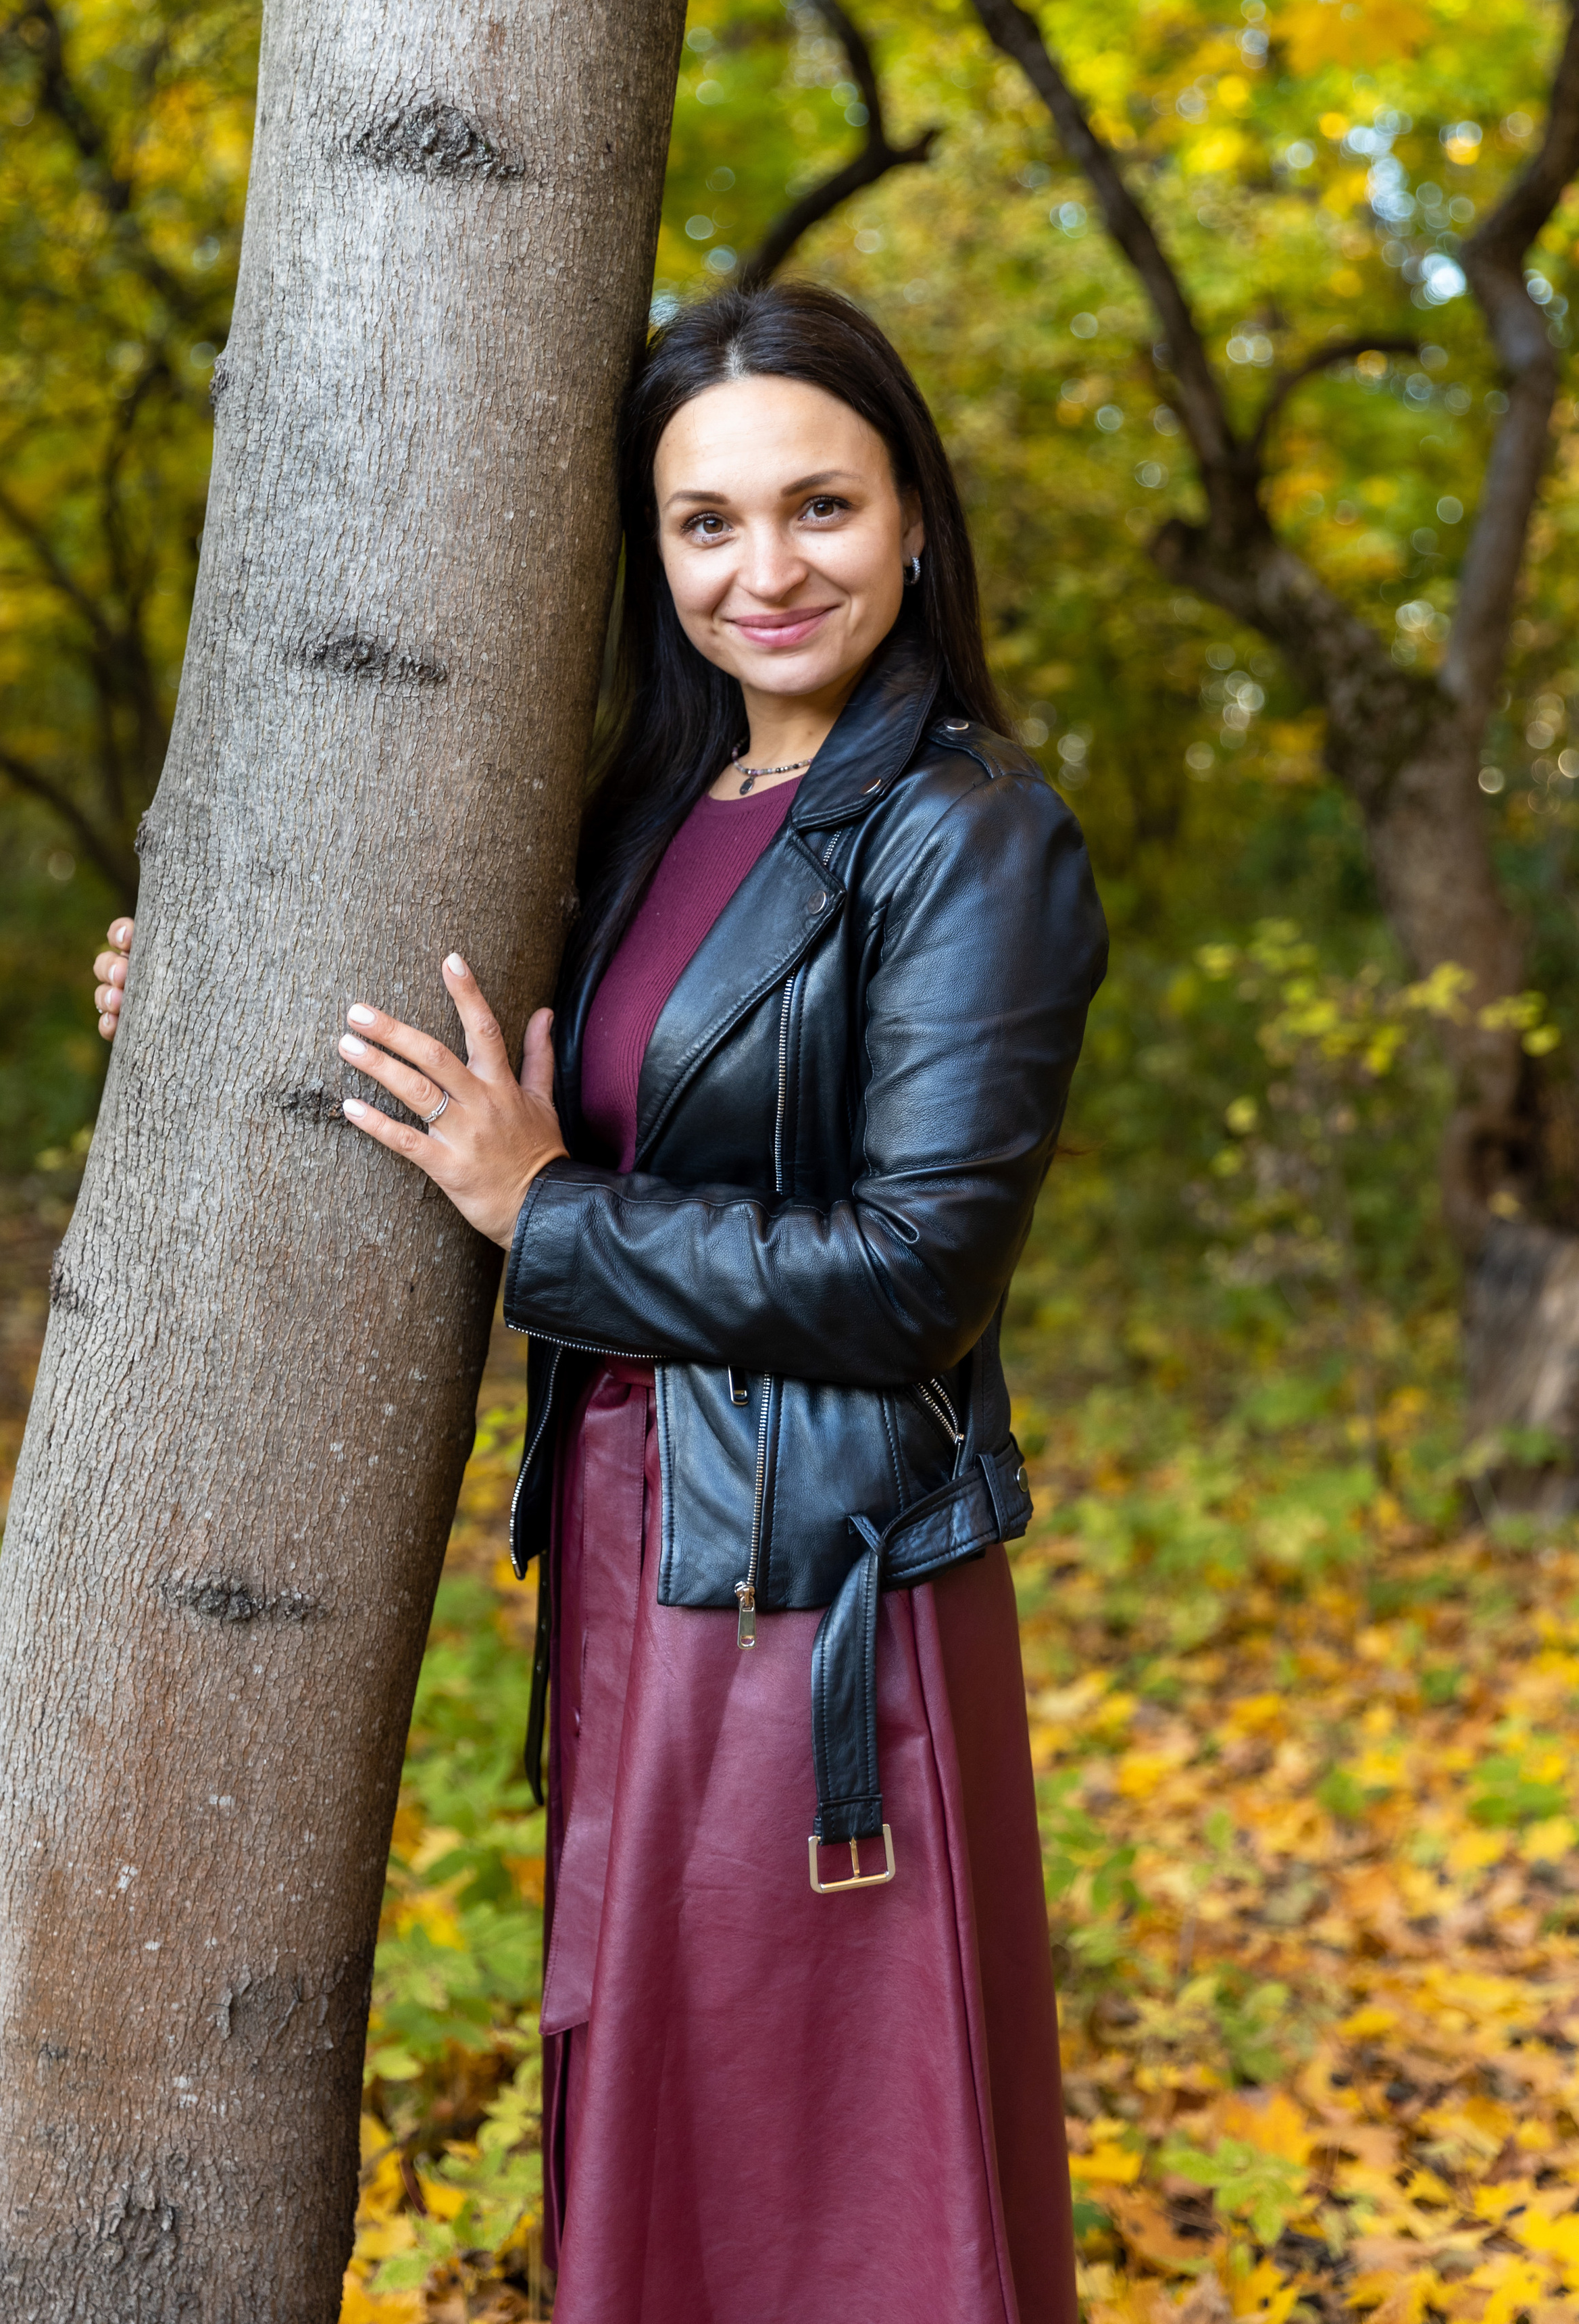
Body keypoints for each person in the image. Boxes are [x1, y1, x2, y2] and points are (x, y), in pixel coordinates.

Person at [95, 280, 1107, 2324]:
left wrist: (547, 1210)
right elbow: (462, 1068)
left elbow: (917, 1275)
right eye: (707, 522)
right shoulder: (652, 818)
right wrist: (192, 1004)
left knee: (842, 2168)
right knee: (654, 2109)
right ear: (650, 551)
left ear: (914, 513)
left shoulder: (971, 839)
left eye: (819, 506)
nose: (767, 569)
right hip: (641, 1558)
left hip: (830, 1592)